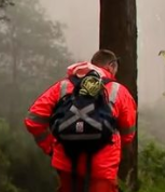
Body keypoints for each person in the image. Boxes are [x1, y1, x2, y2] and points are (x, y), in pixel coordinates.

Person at [25, 49, 137, 192]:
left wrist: (51, 146)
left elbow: (33, 120)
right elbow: (128, 134)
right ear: (111, 66)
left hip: (66, 163)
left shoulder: (63, 86)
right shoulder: (119, 91)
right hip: (102, 167)